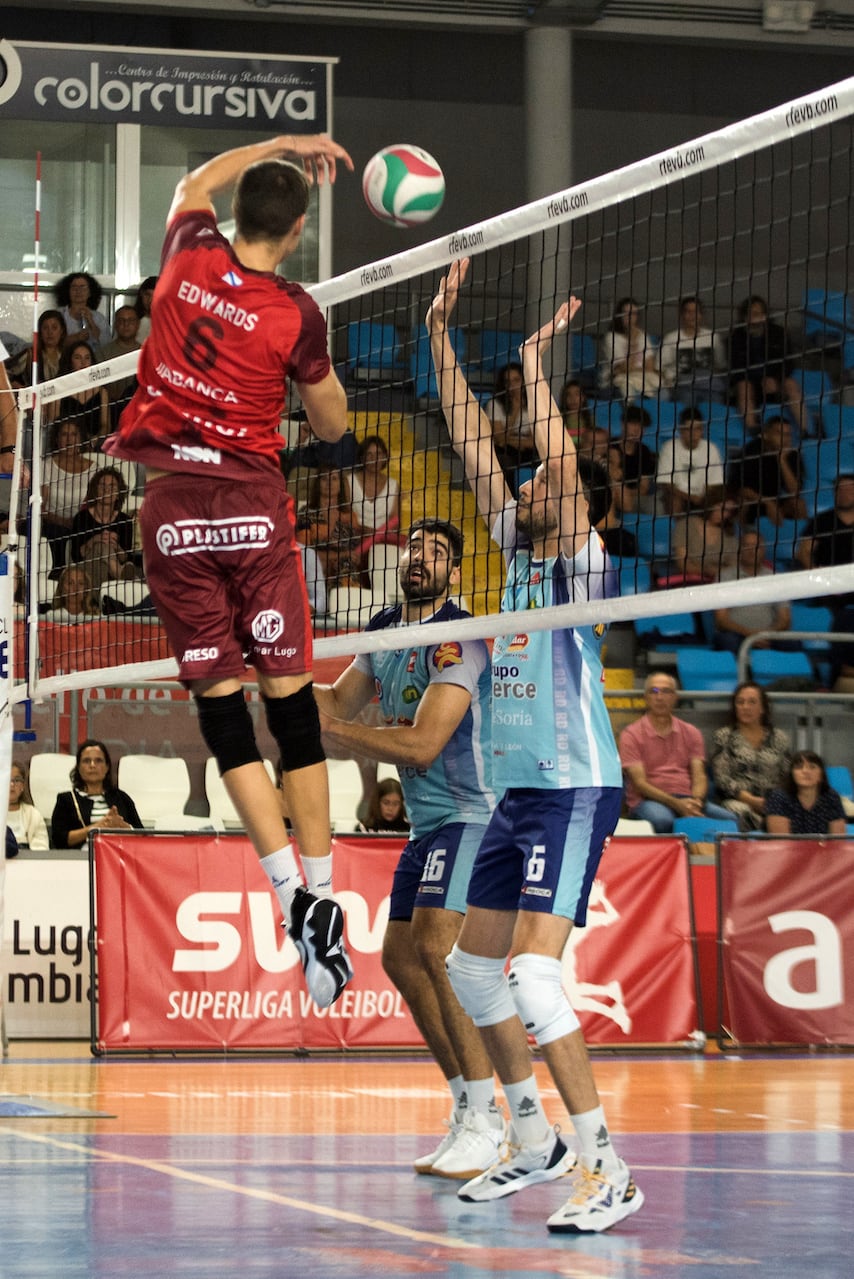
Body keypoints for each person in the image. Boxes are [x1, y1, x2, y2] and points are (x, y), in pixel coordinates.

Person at [103, 132, 356, 1009]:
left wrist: (281, 145)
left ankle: (289, 895)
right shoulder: (296, 311)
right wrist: (311, 374)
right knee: (292, 707)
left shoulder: (186, 254)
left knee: (222, 713)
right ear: (293, 235)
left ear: (235, 215)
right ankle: (323, 894)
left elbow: (191, 180)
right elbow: (331, 428)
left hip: (170, 506)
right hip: (251, 505)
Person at [428, 258, 642, 1234]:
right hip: (512, 794)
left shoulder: (581, 568)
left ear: (579, 503)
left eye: (547, 473)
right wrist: (442, 333)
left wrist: (534, 364)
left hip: (572, 789)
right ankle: (532, 1140)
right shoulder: (515, 553)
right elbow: (473, 439)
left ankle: (607, 1166)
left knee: (532, 975)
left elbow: (552, 451)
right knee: (473, 971)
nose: (529, 475)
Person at [315, 517, 504, 1180]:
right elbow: (334, 700)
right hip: (427, 826)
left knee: (436, 951)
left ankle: (489, 1117)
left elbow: (422, 745)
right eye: (414, 546)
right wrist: (272, 678)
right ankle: (464, 1104)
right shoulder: (385, 629)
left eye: (437, 551)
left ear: (453, 571)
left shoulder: (459, 637)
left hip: (475, 818)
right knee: (399, 956)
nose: (420, 556)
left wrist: (340, 728)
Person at [620, 671, 733, 833]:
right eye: (654, 691)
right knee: (662, 821)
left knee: (730, 821)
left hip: (688, 798)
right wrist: (677, 804)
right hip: (649, 801)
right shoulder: (631, 734)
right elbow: (640, 784)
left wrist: (695, 802)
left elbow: (699, 775)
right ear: (645, 697)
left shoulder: (691, 732)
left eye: (666, 691)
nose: (660, 697)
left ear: (675, 697)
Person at [710, 683, 791, 830]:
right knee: (744, 813)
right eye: (740, 702)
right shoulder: (724, 736)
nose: (745, 707)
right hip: (736, 800)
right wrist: (752, 801)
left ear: (763, 708)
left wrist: (772, 801)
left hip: (773, 800)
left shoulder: (779, 737)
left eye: (752, 702)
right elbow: (722, 780)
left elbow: (787, 776)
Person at [729, 295, 805, 434]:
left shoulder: (778, 333)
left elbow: (788, 362)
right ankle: (752, 428)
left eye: (757, 313)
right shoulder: (737, 336)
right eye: (750, 314)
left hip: (775, 381)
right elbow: (736, 368)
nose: (754, 317)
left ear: (765, 315)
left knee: (791, 385)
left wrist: (775, 379)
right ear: (744, 316)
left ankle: (805, 431)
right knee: (743, 387)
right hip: (750, 382)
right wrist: (757, 379)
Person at [50, 739, 143, 850]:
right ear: (78, 768)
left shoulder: (121, 798)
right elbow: (59, 840)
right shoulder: (66, 800)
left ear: (107, 767)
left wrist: (124, 827)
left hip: (119, 857)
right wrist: (97, 826)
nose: (92, 765)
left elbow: (144, 837)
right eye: (86, 761)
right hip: (80, 861)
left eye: (98, 761)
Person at [713, 528, 791, 652]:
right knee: (727, 641)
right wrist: (749, 634)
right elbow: (721, 619)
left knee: (793, 643)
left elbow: (785, 619)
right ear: (740, 550)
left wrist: (765, 634)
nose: (751, 551)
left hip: (768, 635)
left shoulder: (775, 579)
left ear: (763, 549)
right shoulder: (725, 577)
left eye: (756, 546)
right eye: (747, 546)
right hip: (737, 634)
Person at [296, 463, 365, 590]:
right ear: (318, 484)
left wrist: (349, 557)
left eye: (334, 478)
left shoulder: (350, 517)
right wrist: (342, 555)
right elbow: (304, 554)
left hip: (346, 575)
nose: (329, 483)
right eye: (324, 478)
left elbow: (355, 557)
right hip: (314, 572)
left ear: (340, 485)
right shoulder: (305, 513)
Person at [728, 415, 806, 526]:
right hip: (752, 499)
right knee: (743, 502)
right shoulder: (752, 450)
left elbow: (795, 491)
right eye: (779, 433)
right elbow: (741, 489)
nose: (785, 439)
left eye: (788, 435)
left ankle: (800, 539)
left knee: (799, 504)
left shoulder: (793, 455)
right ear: (766, 435)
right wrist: (767, 502)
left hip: (775, 500)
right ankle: (744, 537)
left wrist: (782, 460)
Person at [70, 465, 139, 589]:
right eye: (102, 485)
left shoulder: (125, 521)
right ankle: (120, 575)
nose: (107, 490)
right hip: (86, 570)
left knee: (105, 553)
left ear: (118, 494)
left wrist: (116, 547)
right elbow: (76, 556)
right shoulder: (81, 518)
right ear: (95, 491)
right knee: (101, 547)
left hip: (107, 571)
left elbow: (125, 557)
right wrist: (95, 540)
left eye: (112, 486)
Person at [41, 417, 96, 571]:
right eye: (64, 435)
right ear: (57, 439)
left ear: (80, 439)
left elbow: (92, 505)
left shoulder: (93, 469)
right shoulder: (46, 466)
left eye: (74, 434)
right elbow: (40, 508)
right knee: (55, 532)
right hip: (53, 524)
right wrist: (63, 521)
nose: (69, 439)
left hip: (82, 525)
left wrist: (77, 522)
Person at [656, 406, 725, 515]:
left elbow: (714, 484)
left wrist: (703, 498)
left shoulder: (711, 449)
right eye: (688, 429)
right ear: (681, 430)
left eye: (697, 429)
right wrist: (691, 497)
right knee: (675, 500)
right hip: (677, 496)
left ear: (702, 430)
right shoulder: (669, 447)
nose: (693, 434)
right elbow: (667, 485)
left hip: (701, 499)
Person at [658, 295, 727, 402]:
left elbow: (720, 365)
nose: (692, 316)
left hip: (709, 385)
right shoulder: (670, 338)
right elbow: (659, 367)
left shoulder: (713, 337)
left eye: (696, 312)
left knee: (715, 405)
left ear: (701, 315)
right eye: (688, 312)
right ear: (682, 315)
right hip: (682, 386)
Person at [765, 750, 847, 835]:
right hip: (789, 847)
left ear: (821, 774)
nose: (805, 771)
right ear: (792, 774)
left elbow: (837, 839)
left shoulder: (832, 797)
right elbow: (781, 841)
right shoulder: (778, 797)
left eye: (812, 767)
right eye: (799, 767)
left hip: (824, 847)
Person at [598, 296, 660, 400]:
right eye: (626, 313)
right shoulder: (611, 338)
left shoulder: (642, 336)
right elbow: (624, 368)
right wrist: (632, 341)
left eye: (634, 314)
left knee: (662, 391)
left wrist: (634, 369)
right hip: (615, 382)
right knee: (628, 390)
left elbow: (649, 367)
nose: (630, 317)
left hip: (641, 378)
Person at [486, 361, 537, 486]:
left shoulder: (534, 404)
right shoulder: (495, 404)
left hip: (529, 453)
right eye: (507, 382)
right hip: (505, 452)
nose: (512, 386)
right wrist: (515, 411)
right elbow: (499, 439)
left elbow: (535, 441)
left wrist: (509, 440)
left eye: (516, 380)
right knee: (504, 463)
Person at [51, 342, 110, 440]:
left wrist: (94, 441)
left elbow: (106, 426)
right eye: (77, 358)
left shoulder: (102, 392)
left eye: (87, 358)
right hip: (65, 446)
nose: (83, 362)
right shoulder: (59, 391)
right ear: (70, 361)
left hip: (94, 448)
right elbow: (53, 425)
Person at [348, 434, 400, 539]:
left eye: (378, 454)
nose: (374, 459)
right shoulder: (349, 481)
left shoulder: (393, 485)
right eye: (369, 454)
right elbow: (345, 518)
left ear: (385, 457)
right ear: (362, 458)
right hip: (353, 539)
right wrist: (366, 532)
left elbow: (395, 522)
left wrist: (378, 536)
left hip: (383, 541)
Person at [54, 271, 111, 352]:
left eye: (82, 287)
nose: (78, 291)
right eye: (74, 287)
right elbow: (52, 343)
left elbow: (106, 344)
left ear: (90, 292)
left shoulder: (99, 318)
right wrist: (76, 338)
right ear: (67, 291)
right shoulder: (58, 315)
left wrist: (91, 322)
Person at [98, 305, 142, 409]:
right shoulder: (102, 353)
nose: (126, 324)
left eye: (130, 320)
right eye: (121, 320)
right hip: (109, 409)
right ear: (115, 324)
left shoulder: (145, 353)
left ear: (137, 324)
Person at [7, 762, 50, 851]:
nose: (11, 785)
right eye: (7, 780)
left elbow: (42, 848)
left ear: (22, 786)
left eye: (16, 780)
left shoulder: (34, 814)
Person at [132, 275, 158, 341]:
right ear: (141, 294)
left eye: (155, 295)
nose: (150, 300)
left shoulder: (168, 322)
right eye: (147, 295)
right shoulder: (130, 319)